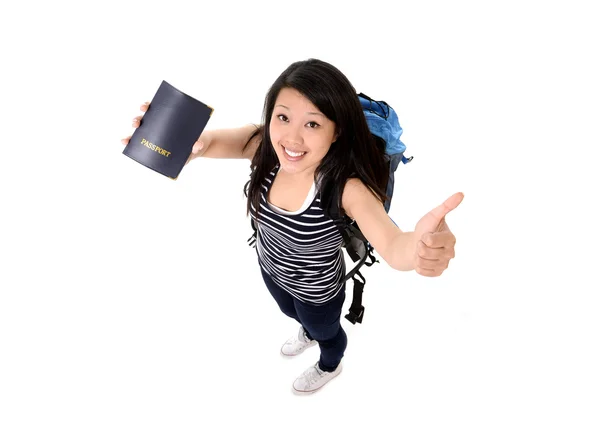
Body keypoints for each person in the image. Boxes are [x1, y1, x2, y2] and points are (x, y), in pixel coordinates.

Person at [121, 58, 463, 395]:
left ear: (336, 131)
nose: (292, 138)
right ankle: (307, 331)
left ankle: (330, 363)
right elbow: (209, 143)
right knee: (288, 310)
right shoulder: (266, 150)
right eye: (283, 117)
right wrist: (185, 143)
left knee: (326, 331)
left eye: (312, 124)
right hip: (272, 270)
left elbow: (393, 245)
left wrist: (419, 247)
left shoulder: (346, 188)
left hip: (318, 293)